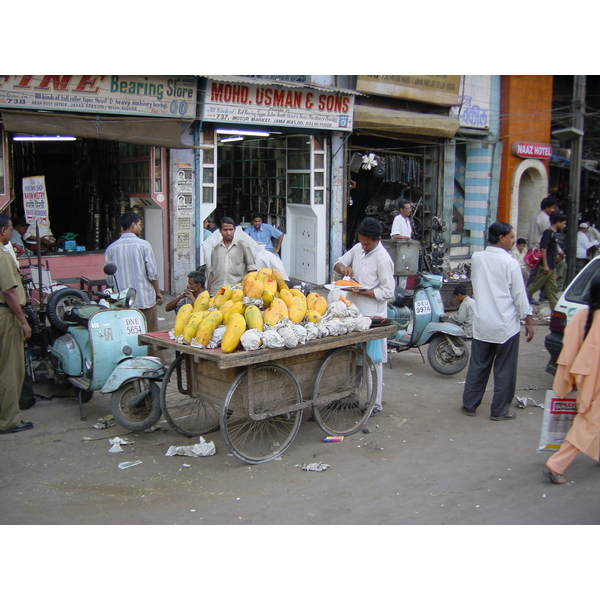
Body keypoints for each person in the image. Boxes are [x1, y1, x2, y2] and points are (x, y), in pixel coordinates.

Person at [461, 222, 534, 421]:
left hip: (482, 322)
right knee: (504, 370)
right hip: (505, 325)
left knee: (478, 366)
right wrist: (527, 320)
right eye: (511, 237)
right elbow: (519, 295)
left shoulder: (477, 258)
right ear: (501, 238)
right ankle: (500, 410)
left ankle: (470, 404)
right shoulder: (510, 263)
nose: (513, 241)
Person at [333, 217, 395, 416]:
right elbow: (338, 263)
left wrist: (363, 291)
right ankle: (351, 395)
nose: (364, 246)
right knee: (353, 357)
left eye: (368, 243)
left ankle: (374, 402)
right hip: (354, 313)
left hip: (373, 317)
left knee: (373, 360)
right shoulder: (358, 248)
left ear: (377, 239)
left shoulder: (383, 259)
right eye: (361, 242)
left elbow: (388, 293)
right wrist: (343, 269)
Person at [545, 274, 600, 484]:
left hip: (583, 374)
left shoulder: (583, 314)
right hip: (595, 379)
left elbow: (569, 344)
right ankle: (557, 464)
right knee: (588, 424)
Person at [105, 211, 164, 337]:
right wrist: (157, 292)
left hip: (122, 302)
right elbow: (152, 274)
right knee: (151, 334)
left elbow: (109, 279)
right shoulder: (144, 245)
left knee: (125, 334)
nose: (141, 228)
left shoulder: (111, 248)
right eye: (139, 225)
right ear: (133, 225)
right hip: (144, 299)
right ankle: (152, 356)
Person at [0, 214, 33, 435]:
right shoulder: (1, 256)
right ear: (3, 230)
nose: (12, 233)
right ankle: (9, 420)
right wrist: (23, 322)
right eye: (10, 229)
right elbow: (9, 292)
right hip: (6, 315)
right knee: (10, 369)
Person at [526, 213, 567, 310]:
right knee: (534, 287)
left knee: (552, 290)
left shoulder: (553, 233)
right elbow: (543, 248)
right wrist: (545, 264)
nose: (564, 226)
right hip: (547, 267)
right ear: (558, 222)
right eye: (563, 223)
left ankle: (556, 312)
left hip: (551, 267)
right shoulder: (549, 233)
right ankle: (516, 301)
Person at [207, 217, 256, 295]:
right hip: (217, 291)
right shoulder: (215, 249)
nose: (228, 233)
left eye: (231, 230)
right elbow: (212, 273)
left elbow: (252, 271)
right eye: (225, 230)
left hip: (236, 291)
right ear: (220, 230)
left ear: (234, 230)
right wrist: (208, 293)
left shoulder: (243, 246)